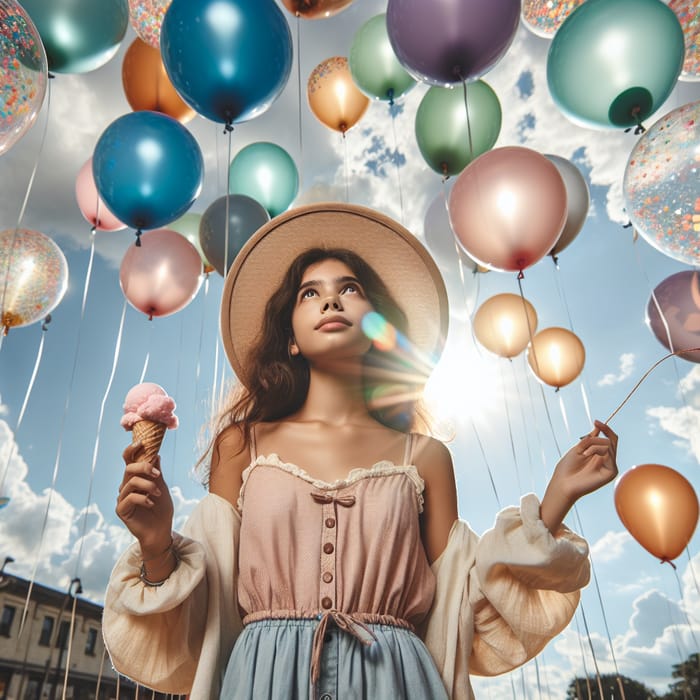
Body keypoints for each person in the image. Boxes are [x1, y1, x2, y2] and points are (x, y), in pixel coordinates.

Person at [103, 203, 619, 700]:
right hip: (261, 680)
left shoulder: (426, 457)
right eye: (310, 293)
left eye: (349, 288)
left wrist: (556, 502)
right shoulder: (241, 444)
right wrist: (154, 544)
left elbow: (465, 606)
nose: (331, 301)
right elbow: (206, 611)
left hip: (397, 680)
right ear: (291, 341)